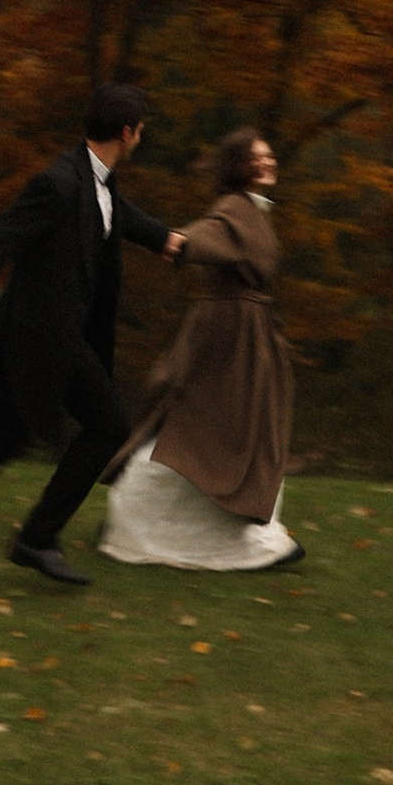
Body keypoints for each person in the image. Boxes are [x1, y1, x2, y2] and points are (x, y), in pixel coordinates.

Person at [0, 84, 180, 589]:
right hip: (40, 341)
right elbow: (2, 237)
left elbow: (119, 216)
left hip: (55, 341)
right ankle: (36, 538)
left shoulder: (98, 183)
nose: (140, 140)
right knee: (109, 426)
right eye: (140, 133)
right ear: (127, 133)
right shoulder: (58, 183)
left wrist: (167, 239)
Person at [98, 127, 302, 572]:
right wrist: (181, 242)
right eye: (257, 158)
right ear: (238, 167)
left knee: (229, 427)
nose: (268, 163)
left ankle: (157, 521)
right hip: (229, 337)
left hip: (246, 334)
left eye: (270, 156)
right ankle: (148, 523)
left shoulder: (252, 210)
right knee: (208, 426)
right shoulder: (234, 210)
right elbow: (210, 234)